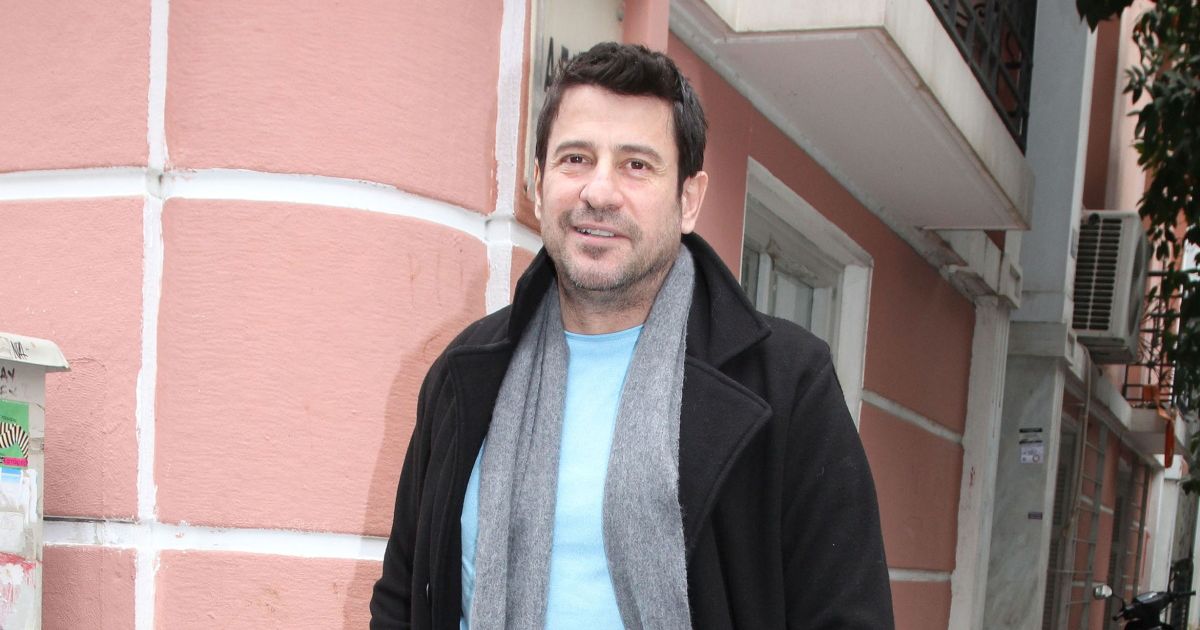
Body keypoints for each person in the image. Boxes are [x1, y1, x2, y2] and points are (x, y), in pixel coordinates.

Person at [370, 42, 893, 629]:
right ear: (538, 182)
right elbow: (402, 597)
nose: (599, 192)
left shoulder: (787, 384)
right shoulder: (466, 371)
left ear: (688, 200)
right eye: (575, 159)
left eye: (636, 165)